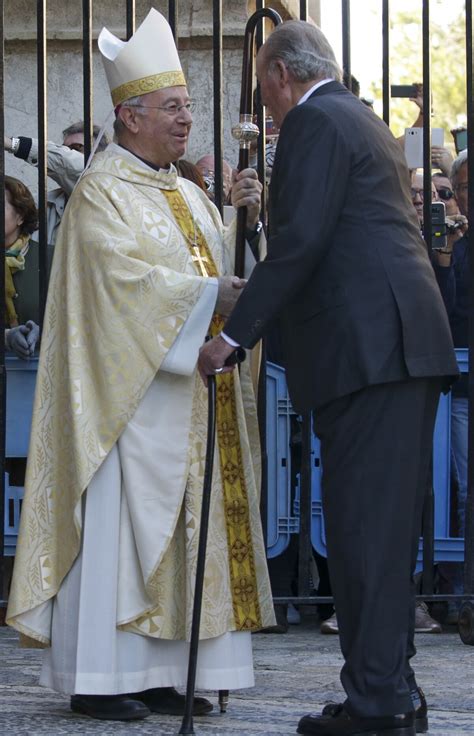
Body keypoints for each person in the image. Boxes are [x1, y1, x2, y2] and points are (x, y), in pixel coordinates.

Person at [6, 8, 274, 724]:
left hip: (192, 400)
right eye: (173, 108)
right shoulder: (101, 189)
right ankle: (101, 676)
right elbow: (112, 287)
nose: (188, 121)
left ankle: (162, 670)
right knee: (124, 538)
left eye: (188, 108)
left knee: (188, 537)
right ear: (129, 118)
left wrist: (247, 224)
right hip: (126, 405)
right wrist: (205, 293)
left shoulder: (187, 193)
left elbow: (234, 277)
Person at [199, 20, 458, 736]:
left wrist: (229, 338)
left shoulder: (316, 120)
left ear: (281, 74)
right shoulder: (360, 117)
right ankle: (390, 691)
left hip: (371, 350)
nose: (267, 105)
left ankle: (379, 703)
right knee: (380, 530)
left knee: (364, 533)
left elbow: (300, 243)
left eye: (263, 88)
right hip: (397, 345)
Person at [432, 149, 469, 623]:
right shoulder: (450, 241)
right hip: (459, 386)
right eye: (462, 189)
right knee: (462, 491)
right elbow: (449, 309)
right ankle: (461, 595)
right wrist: (448, 251)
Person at [4, 121, 110, 248]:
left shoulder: (108, 199)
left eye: (77, 149)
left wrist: (12, 144)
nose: (66, 153)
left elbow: (74, 164)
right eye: (63, 148)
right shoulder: (39, 205)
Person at [4, 175, 40, 357]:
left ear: (20, 216)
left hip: (41, 373)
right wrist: (6, 337)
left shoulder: (50, 258)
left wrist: (44, 332)